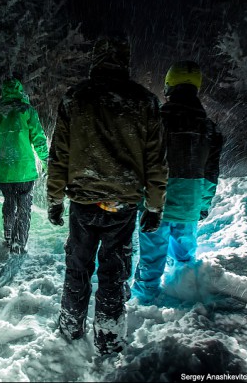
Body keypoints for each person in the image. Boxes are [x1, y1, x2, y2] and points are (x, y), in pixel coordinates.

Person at [46, 34, 168, 355]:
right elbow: (156, 160)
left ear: (95, 58)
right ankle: (109, 340)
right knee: (114, 271)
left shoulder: (76, 98)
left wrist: (55, 198)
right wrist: (154, 206)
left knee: (78, 264)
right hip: (123, 204)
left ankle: (71, 327)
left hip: (83, 201)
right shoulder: (144, 101)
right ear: (125, 61)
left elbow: (59, 154)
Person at [131, 61, 223, 305]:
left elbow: (140, 162)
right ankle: (183, 289)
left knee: (151, 257)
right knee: (184, 257)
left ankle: (144, 300)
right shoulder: (209, 128)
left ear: (169, 85)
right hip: (189, 203)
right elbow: (211, 172)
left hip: (155, 202)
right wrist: (202, 204)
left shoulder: (156, 120)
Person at [0, 77, 48, 254]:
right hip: (25, 170)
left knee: (9, 202)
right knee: (24, 206)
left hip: (5, 170)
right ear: (20, 91)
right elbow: (39, 139)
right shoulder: (27, 111)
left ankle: (8, 233)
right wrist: (45, 161)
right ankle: (19, 241)